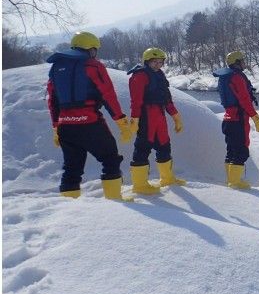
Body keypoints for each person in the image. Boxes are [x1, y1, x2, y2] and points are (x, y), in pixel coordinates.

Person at [46, 31, 134, 200]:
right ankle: (115, 200)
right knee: (110, 160)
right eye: (95, 50)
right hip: (90, 124)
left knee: (72, 168)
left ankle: (69, 208)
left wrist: (56, 127)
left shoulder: (56, 67)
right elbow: (108, 95)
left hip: (66, 127)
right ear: (90, 49)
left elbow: (52, 100)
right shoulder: (94, 66)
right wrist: (121, 122)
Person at [127, 47, 186, 194]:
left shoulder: (159, 75)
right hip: (146, 115)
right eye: (155, 62)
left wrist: (175, 116)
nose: (158, 65)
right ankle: (139, 185)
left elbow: (166, 98)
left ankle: (167, 178)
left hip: (159, 115)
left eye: (160, 62)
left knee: (164, 145)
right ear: (147, 61)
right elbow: (136, 100)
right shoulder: (139, 76)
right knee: (143, 147)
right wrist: (135, 119)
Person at [212, 51, 259, 189]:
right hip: (238, 118)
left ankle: (231, 180)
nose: (244, 63)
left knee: (231, 150)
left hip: (228, 118)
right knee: (241, 151)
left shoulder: (225, 77)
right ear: (237, 62)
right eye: (242, 60)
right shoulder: (236, 77)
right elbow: (244, 99)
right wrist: (255, 117)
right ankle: (235, 183)